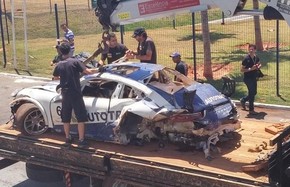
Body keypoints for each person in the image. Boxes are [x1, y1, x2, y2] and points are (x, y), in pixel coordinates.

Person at [52, 43, 97, 147]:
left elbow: (55, 77)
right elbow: (87, 71)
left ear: (61, 52)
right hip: (75, 92)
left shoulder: (59, 64)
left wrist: (63, 78)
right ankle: (81, 140)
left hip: (65, 94)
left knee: (65, 116)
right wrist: (100, 70)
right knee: (80, 116)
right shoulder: (75, 62)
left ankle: (67, 138)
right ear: (70, 51)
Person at [240, 44, 262, 115]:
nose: (251, 50)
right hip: (247, 78)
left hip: (254, 77)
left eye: (252, 49)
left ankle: (243, 100)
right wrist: (250, 69)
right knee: (252, 93)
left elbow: (259, 64)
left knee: (254, 92)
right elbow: (242, 70)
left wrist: (258, 66)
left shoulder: (256, 57)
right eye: (250, 49)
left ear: (255, 50)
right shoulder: (246, 59)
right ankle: (251, 109)